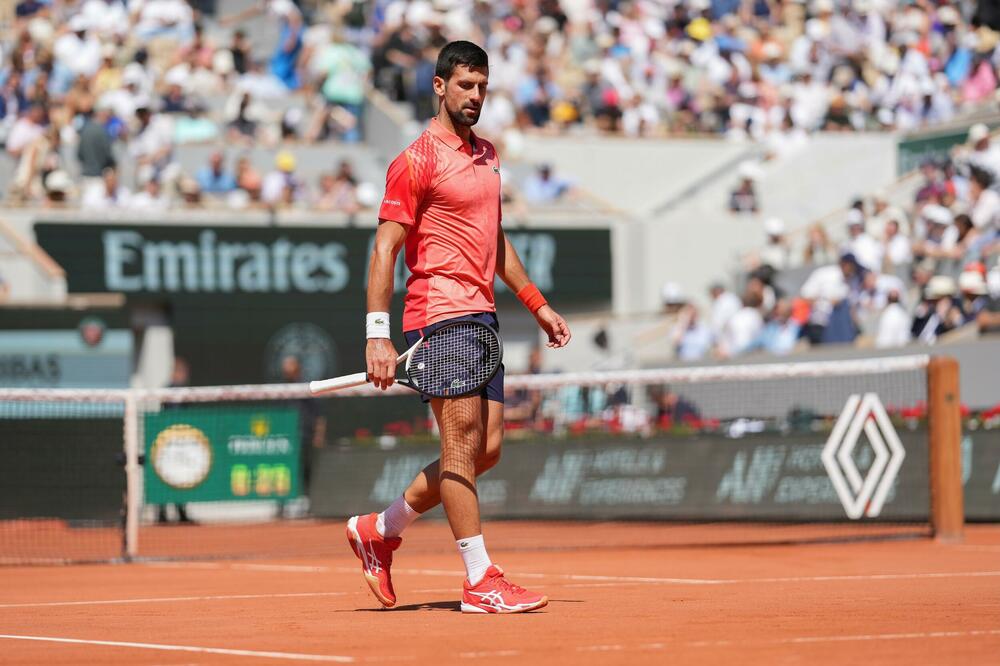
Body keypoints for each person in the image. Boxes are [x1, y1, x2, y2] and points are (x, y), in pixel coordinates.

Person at [347, 41, 571, 615]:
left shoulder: (489, 155)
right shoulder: (415, 159)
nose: (475, 97)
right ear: (440, 87)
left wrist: (536, 302)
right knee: (459, 443)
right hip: (438, 311)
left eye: (483, 88)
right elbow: (384, 250)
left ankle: (379, 529)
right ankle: (479, 578)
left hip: (482, 314)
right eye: (465, 86)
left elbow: (494, 239)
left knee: (484, 449)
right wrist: (377, 334)